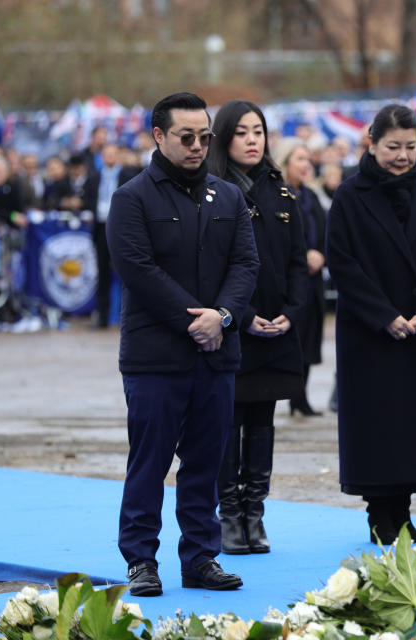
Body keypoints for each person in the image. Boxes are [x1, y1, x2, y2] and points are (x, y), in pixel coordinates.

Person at [107, 92, 259, 596]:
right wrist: (194, 320)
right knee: (149, 462)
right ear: (158, 136)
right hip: (156, 357)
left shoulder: (229, 196)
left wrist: (222, 317)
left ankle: (200, 556)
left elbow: (245, 265)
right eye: (186, 137)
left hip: (217, 354)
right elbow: (138, 270)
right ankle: (141, 560)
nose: (198, 146)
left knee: (206, 462)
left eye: (204, 137)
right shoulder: (132, 198)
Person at [326, 104, 416, 545]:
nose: (403, 156)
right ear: (371, 144)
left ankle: (405, 512)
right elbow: (343, 263)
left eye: (411, 147)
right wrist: (384, 316)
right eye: (393, 147)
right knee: (377, 426)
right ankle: (380, 514)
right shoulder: (350, 196)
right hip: (370, 331)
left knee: (415, 427)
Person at [207, 100, 309, 555]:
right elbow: (211, 269)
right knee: (230, 422)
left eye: (259, 132)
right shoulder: (211, 191)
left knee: (263, 422)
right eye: (242, 132)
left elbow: (297, 263)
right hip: (233, 329)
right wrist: (244, 316)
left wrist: (292, 309)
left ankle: (255, 514)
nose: (252, 140)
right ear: (224, 138)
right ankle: (229, 514)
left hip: (278, 329)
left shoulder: (282, 194)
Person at [275, 140, 327, 416]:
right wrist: (302, 255)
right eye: (300, 159)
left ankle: (301, 398)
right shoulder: (279, 196)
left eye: (308, 159)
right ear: (285, 163)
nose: (306, 164)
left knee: (309, 338)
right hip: (289, 280)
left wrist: (321, 254)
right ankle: (292, 395)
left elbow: (326, 231)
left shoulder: (311, 197)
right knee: (293, 338)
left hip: (313, 280)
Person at [92, 143, 138, 328]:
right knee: (102, 272)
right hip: (101, 227)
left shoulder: (129, 175)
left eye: (113, 154)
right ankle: (102, 318)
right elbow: (89, 199)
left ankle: (128, 316)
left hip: (121, 228)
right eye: (106, 154)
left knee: (126, 271)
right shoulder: (94, 177)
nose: (109, 157)